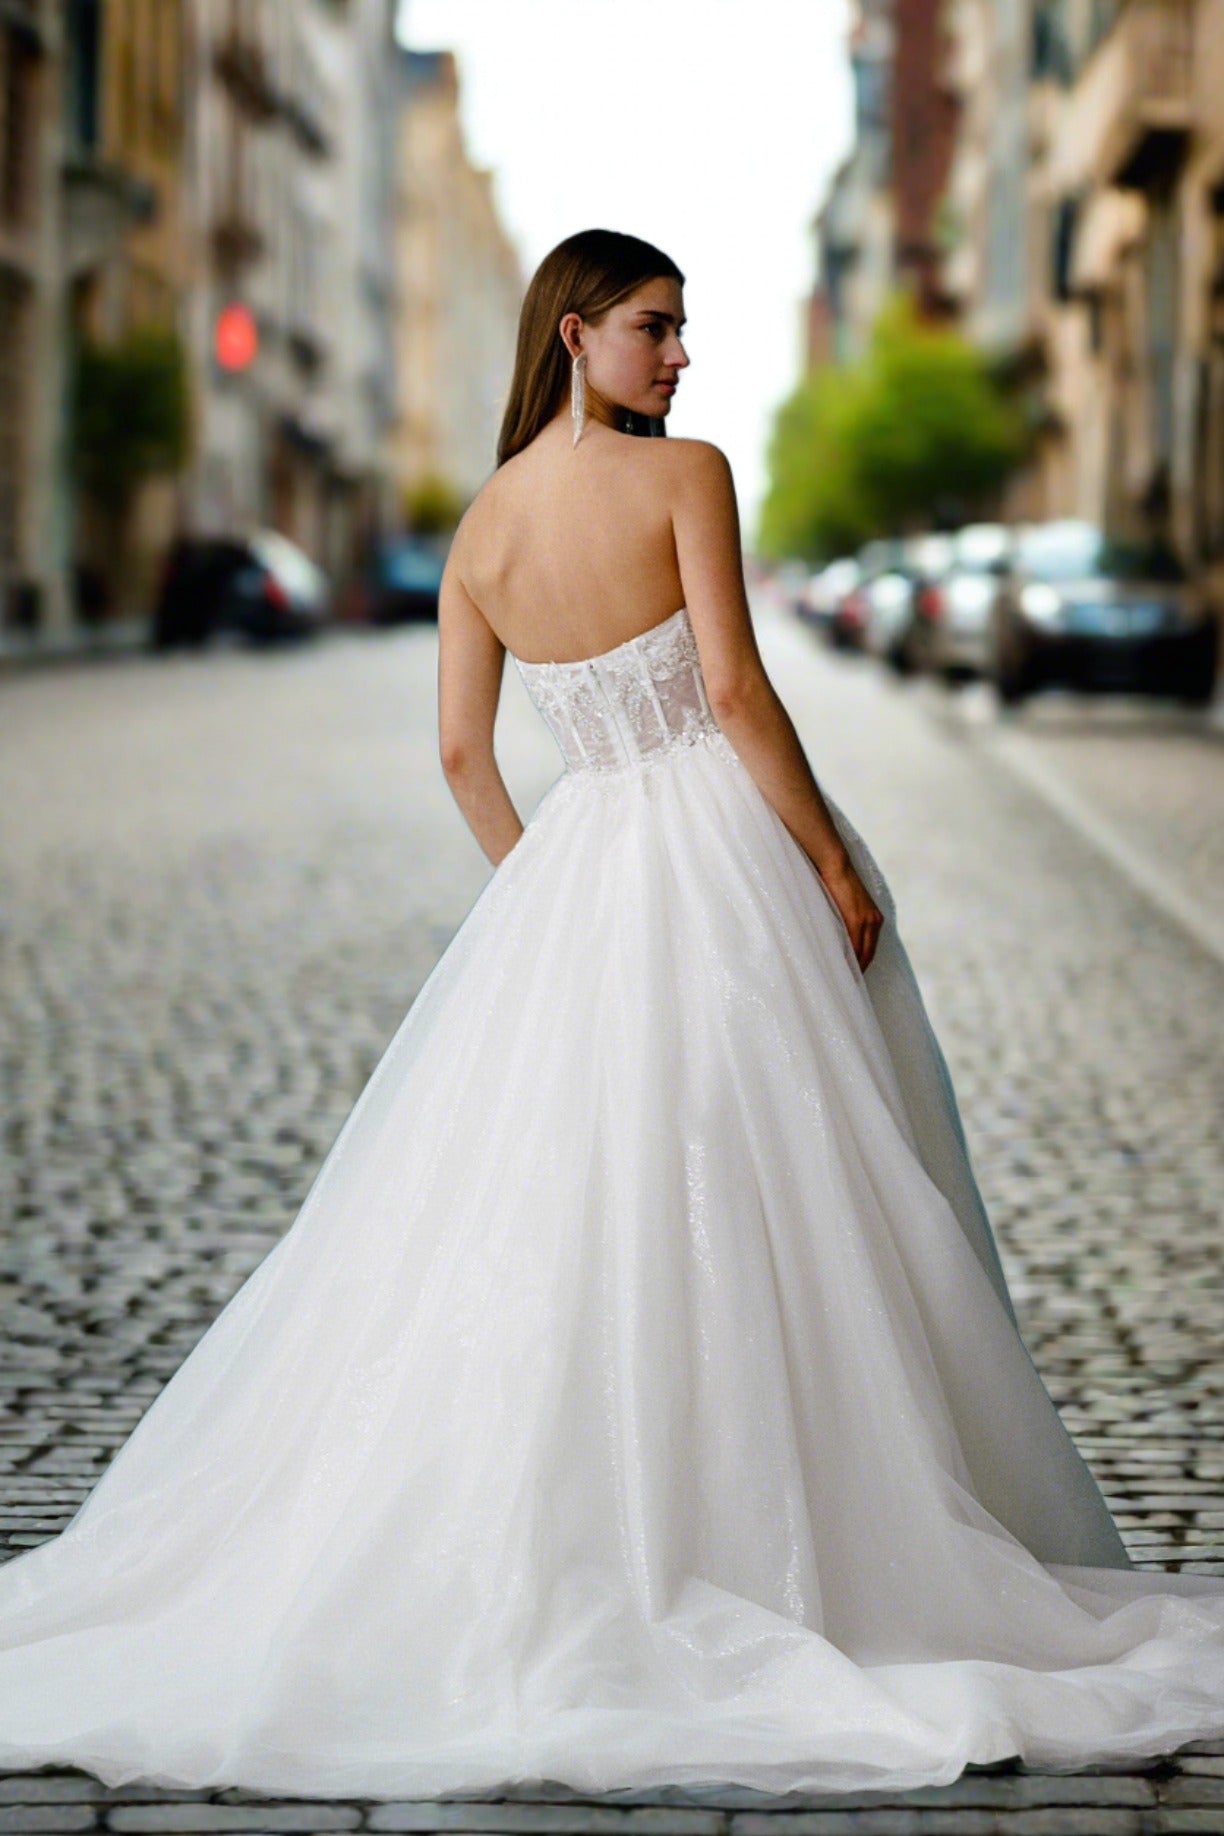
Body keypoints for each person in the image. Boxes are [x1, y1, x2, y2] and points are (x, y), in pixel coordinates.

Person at [0, 227, 1222, 1802]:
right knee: (788, 1181)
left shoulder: (485, 531)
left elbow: (461, 755)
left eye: (687, 330)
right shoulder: (685, 477)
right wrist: (834, 862)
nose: (681, 355)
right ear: (573, 334)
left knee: (579, 1210)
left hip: (577, 871)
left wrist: (548, 896)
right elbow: (731, 693)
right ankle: (795, 1538)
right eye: (656, 327)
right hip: (717, 848)